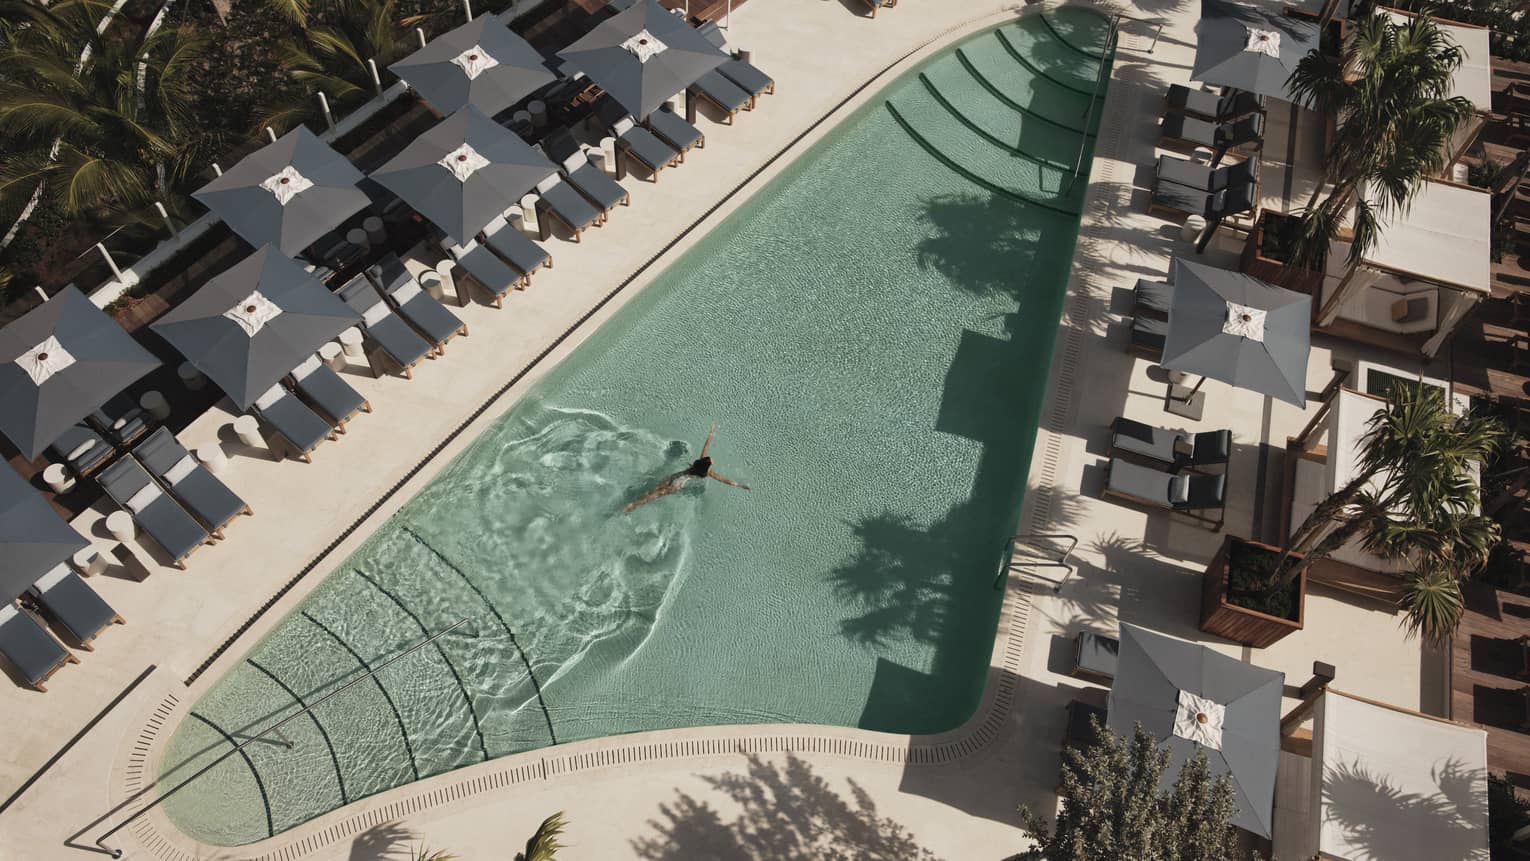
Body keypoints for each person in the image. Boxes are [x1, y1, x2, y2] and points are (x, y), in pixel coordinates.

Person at [624, 425, 749, 513]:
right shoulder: (708, 472)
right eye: (711, 460)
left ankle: (635, 501)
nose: (711, 459)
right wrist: (739, 485)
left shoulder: (698, 462)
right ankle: (634, 505)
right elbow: (724, 480)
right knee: (657, 494)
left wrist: (711, 433)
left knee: (655, 489)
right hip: (679, 484)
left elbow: (706, 446)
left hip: (676, 476)